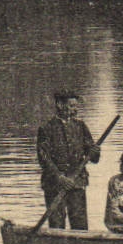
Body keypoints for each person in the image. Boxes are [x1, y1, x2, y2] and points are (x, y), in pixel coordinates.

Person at [36, 91, 100, 230]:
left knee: (80, 226)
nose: (75, 109)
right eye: (71, 106)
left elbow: (94, 158)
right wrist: (60, 177)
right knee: (57, 225)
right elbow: (44, 158)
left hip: (77, 184)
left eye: (76, 106)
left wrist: (95, 152)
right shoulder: (46, 129)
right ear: (59, 105)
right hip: (54, 185)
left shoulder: (80, 127)